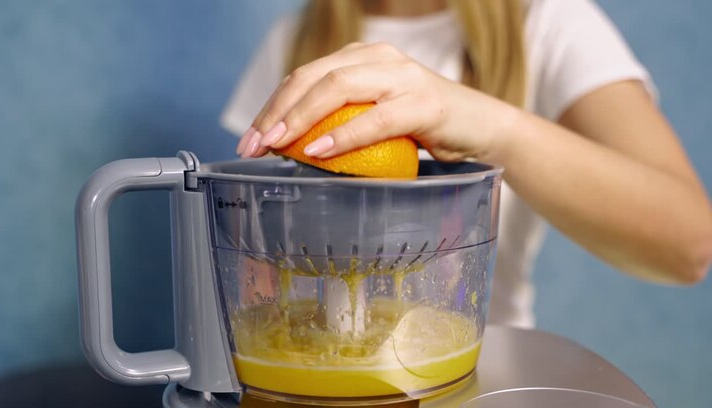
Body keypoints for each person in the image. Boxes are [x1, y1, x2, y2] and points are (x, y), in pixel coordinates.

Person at [221, 0, 712, 328]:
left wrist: (497, 129)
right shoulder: (297, 40)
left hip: (484, 373)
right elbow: (254, 265)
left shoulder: (547, 21)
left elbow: (690, 244)